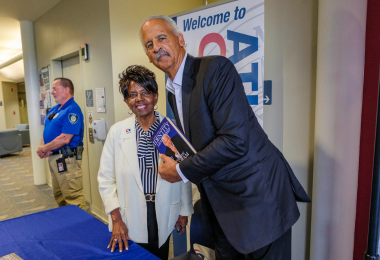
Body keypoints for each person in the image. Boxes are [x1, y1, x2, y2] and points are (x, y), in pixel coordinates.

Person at [140, 15, 311, 260]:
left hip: (257, 199)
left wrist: (180, 170)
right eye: (149, 44)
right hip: (222, 206)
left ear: (180, 39)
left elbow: (235, 140)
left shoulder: (214, 69)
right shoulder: (171, 93)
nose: (156, 47)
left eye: (161, 38)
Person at [97, 65, 193, 259]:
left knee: (160, 253)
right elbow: (105, 179)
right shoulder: (117, 132)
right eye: (132, 95)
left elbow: (184, 174)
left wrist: (183, 211)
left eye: (145, 93)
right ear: (126, 101)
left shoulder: (171, 130)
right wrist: (115, 219)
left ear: (156, 96)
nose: (139, 99)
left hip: (164, 207)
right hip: (129, 212)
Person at [37, 78, 85, 210]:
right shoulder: (55, 109)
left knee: (73, 196)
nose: (52, 92)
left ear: (66, 90)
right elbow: (46, 129)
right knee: (60, 195)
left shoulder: (72, 110)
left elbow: (65, 138)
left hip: (67, 159)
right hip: (54, 158)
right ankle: (69, 225)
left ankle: (81, 228)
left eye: (55, 89)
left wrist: (44, 149)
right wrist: (43, 147)